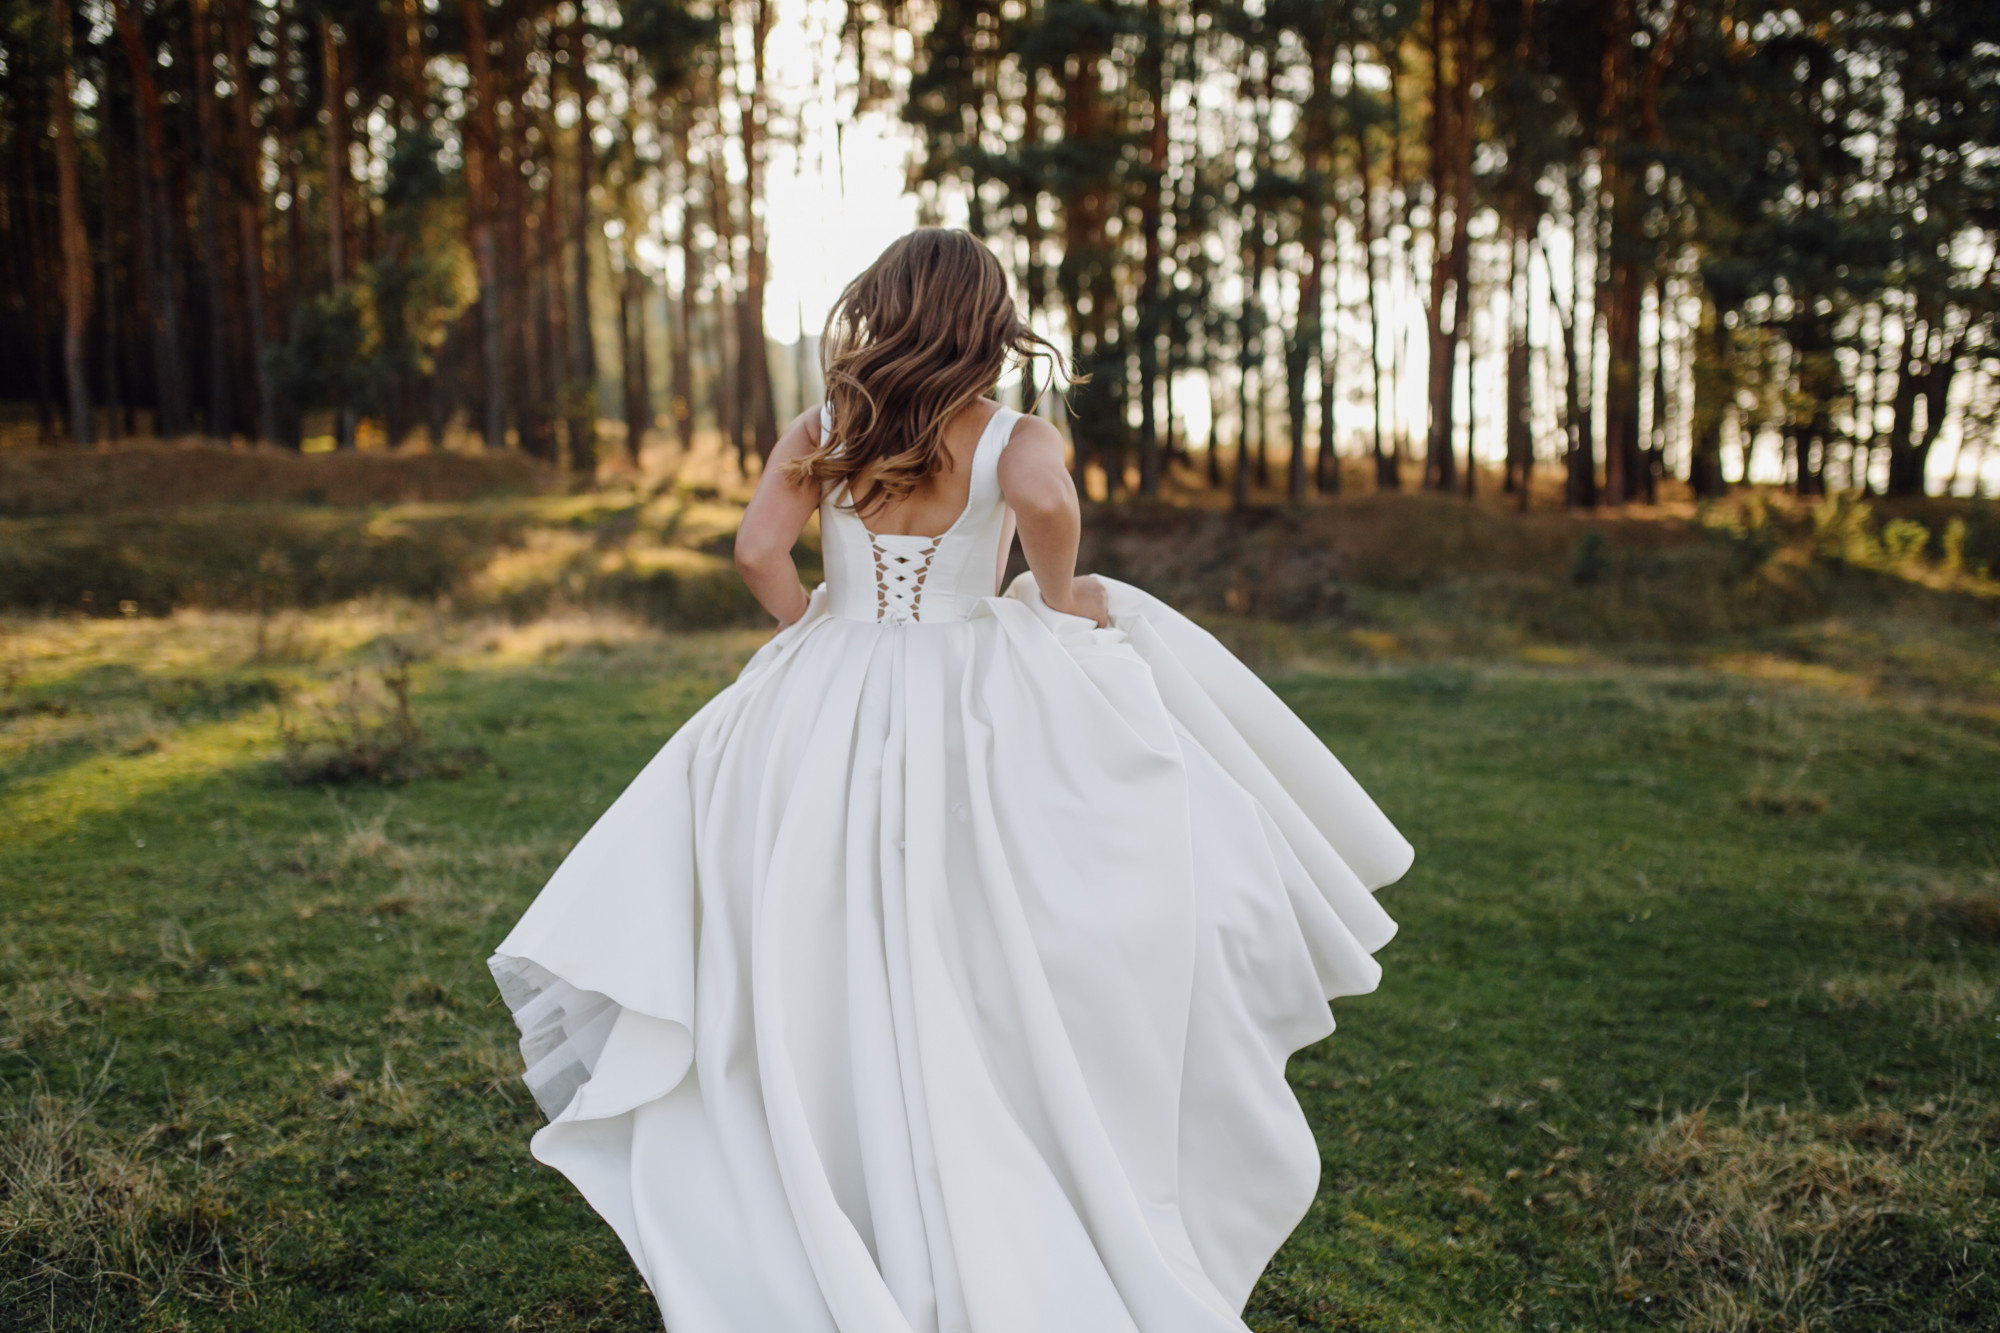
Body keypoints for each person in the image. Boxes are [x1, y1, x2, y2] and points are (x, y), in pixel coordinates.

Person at [488, 227, 1411, 1333]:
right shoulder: (1015, 436)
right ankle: (982, 1112)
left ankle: (817, 1141)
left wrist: (812, 621)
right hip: (970, 677)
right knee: (979, 910)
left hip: (830, 682)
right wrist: (1057, 593)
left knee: (801, 913)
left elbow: (753, 550)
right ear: (988, 320)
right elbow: (1052, 516)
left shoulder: (825, 426)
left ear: (882, 308)